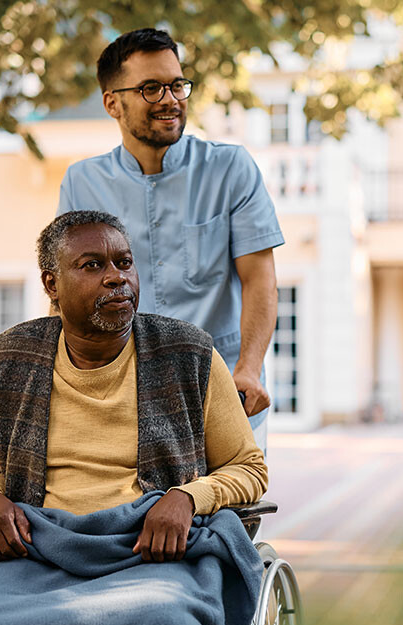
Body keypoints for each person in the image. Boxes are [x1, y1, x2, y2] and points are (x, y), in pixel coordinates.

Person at [0, 211, 268, 625]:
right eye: (92, 265)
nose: (116, 277)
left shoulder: (189, 355)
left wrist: (188, 497)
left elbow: (249, 468)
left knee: (167, 619)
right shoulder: (8, 360)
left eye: (124, 262)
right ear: (52, 283)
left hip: (151, 550)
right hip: (36, 548)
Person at [57, 28, 283, 451]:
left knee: (230, 515)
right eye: (150, 88)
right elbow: (68, 298)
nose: (170, 99)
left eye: (177, 84)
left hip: (226, 391)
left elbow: (260, 281)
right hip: (123, 398)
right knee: (131, 517)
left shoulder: (231, 169)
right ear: (112, 103)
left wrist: (249, 369)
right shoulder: (81, 182)